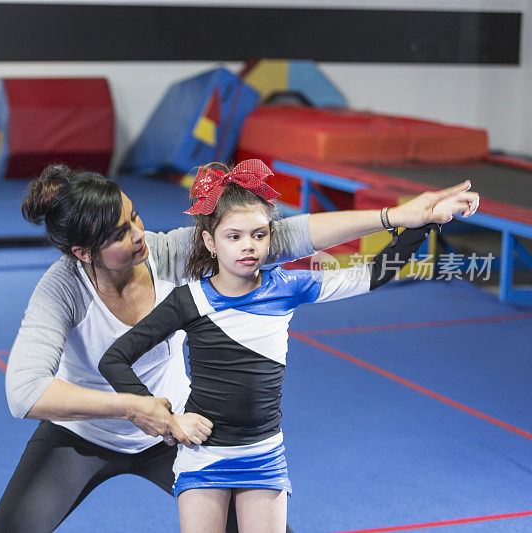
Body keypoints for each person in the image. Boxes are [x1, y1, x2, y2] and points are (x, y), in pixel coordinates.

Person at [0, 163, 478, 532]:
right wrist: (134, 406)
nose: (140, 237)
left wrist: (399, 216)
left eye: (135, 219)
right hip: (86, 436)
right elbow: (24, 392)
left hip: (183, 430)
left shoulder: (168, 251)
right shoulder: (62, 289)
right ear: (83, 253)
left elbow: (281, 237)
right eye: (120, 234)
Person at [98, 159, 444, 532]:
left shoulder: (288, 287)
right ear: (209, 241)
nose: (248, 246)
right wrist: (167, 419)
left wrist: (422, 223)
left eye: (259, 235)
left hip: (263, 454)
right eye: (234, 236)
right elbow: (115, 359)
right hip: (204, 455)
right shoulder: (189, 300)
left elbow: (371, 274)